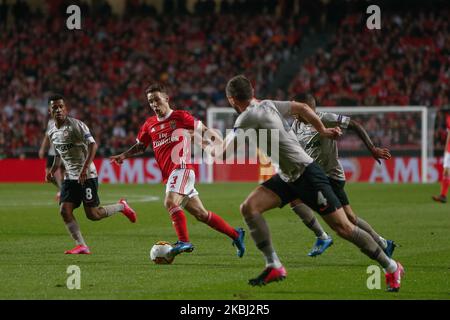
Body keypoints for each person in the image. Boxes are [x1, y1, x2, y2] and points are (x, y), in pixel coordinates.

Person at [218, 75, 404, 292]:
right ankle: (274, 265)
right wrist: (323, 130)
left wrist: (203, 139)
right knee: (249, 208)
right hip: (288, 177)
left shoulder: (245, 119)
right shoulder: (268, 104)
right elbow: (303, 108)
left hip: (307, 174)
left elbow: (222, 154)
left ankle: (391, 267)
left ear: (231, 99)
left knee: (344, 227)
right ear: (252, 90)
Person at [109, 84, 245, 258]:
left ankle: (183, 241)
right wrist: (124, 155)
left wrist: (220, 145)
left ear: (166, 98)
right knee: (201, 214)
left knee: (170, 202)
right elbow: (141, 146)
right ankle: (236, 234)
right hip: (172, 175)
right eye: (150, 101)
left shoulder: (180, 117)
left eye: (156, 99)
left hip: (181, 169)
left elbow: (204, 130)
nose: (154, 104)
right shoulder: (149, 124)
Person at [290, 93, 395, 258]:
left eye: (297, 109)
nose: (293, 113)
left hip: (331, 177)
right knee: (295, 198)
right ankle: (382, 243)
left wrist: (373, 149)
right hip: (315, 175)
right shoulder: (296, 125)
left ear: (307, 109)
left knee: (348, 219)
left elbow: (354, 124)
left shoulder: (324, 118)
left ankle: (324, 237)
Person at [46, 94, 137, 254]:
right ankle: (82, 245)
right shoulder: (52, 132)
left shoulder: (76, 126)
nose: (59, 110)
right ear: (50, 111)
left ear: (65, 108)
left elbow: (93, 145)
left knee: (93, 215)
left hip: (87, 175)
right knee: (64, 211)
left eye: (61, 106)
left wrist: (84, 168)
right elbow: (59, 153)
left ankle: (122, 206)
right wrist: (53, 170)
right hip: (70, 177)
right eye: (55, 107)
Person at [39, 119, 65, 201]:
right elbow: (47, 137)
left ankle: (62, 191)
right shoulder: (50, 122)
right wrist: (42, 149)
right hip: (52, 152)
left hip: (62, 152)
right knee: (48, 176)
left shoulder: (66, 122)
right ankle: (62, 189)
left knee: (60, 174)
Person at [432, 113, 450, 203]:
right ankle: (443, 195)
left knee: (447, 172)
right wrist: (446, 149)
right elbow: (449, 134)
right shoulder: (448, 118)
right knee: (446, 172)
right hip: (449, 150)